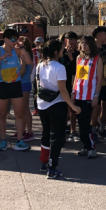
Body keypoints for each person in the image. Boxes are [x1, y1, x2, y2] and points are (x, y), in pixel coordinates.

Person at [36, 39, 81, 178]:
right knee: (57, 136)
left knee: (46, 133)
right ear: (56, 52)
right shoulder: (59, 67)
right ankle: (52, 167)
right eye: (62, 49)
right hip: (56, 105)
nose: (64, 51)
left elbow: (38, 84)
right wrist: (73, 106)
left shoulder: (40, 65)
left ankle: (44, 162)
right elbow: (62, 90)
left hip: (42, 103)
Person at [0, 28, 29, 151]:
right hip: (2, 85)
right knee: (2, 114)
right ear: (5, 39)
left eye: (16, 39)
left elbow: (29, 61)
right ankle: (3, 140)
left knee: (19, 114)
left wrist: (22, 49)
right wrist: (1, 58)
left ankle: (20, 141)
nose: (14, 41)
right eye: (12, 39)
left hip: (15, 84)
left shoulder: (17, 51)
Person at [73, 35, 103, 158]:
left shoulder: (97, 59)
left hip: (89, 95)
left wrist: (96, 95)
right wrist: (73, 93)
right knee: (80, 122)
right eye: (81, 43)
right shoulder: (78, 58)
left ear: (90, 44)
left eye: (85, 43)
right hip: (79, 94)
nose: (82, 45)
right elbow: (77, 76)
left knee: (85, 122)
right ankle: (85, 146)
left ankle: (91, 147)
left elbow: (99, 79)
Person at [90, 26, 106, 139]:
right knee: (96, 107)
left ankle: (102, 129)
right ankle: (93, 130)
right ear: (99, 35)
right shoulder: (91, 48)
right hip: (94, 82)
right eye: (105, 34)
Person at [59, 31, 79, 138]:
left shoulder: (78, 54)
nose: (72, 42)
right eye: (69, 39)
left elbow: (76, 70)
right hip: (62, 83)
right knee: (63, 107)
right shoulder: (61, 53)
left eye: (74, 39)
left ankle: (73, 130)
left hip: (73, 82)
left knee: (72, 106)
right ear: (65, 40)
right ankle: (64, 127)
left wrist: (71, 58)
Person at [16, 36, 35, 142]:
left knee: (25, 109)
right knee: (20, 110)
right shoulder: (22, 55)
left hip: (24, 84)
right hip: (21, 83)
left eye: (19, 42)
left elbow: (22, 71)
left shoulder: (25, 55)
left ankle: (30, 132)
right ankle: (22, 130)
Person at [31, 36, 44, 116]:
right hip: (35, 73)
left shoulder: (45, 51)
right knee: (35, 92)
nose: (38, 44)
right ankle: (36, 108)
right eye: (37, 42)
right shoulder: (33, 51)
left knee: (43, 91)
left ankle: (42, 107)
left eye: (40, 42)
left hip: (43, 73)